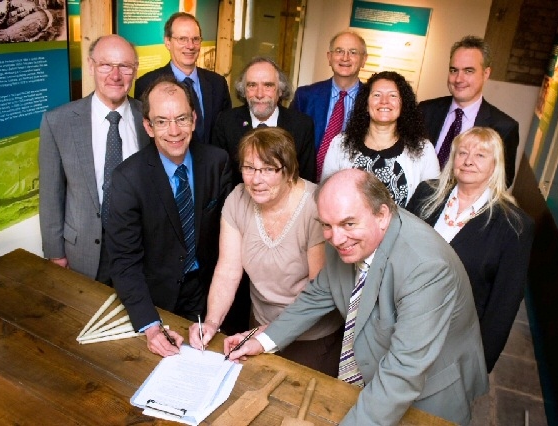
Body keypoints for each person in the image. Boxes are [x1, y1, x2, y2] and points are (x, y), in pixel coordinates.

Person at [223, 169, 488, 425]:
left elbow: (403, 370)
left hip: (430, 393)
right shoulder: (347, 236)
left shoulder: (426, 267)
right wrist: (263, 340)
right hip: (378, 378)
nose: (336, 238)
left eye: (348, 224)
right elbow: (317, 296)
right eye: (326, 225)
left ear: (382, 215)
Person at [189, 127, 343, 376]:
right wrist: (211, 322)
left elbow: (318, 288)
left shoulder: (315, 205)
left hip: (311, 336)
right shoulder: (237, 199)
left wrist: (271, 333)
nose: (255, 179)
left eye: (268, 169)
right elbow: (228, 269)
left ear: (289, 170)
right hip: (258, 327)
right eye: (249, 168)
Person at [106, 75, 233, 357]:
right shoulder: (128, 178)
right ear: (148, 127)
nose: (174, 131)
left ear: (195, 119)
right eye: (162, 121)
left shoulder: (218, 162)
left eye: (182, 119)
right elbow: (124, 261)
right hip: (153, 298)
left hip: (207, 293)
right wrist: (150, 325)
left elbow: (229, 239)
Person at [406, 127, 534, 373]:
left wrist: (479, 365)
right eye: (462, 153)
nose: (468, 161)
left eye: (480, 155)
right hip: (403, 323)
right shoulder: (426, 194)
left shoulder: (514, 225)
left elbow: (503, 306)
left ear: (496, 165)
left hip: (453, 344)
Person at [39, 34, 150, 284]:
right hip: (83, 253)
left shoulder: (149, 118)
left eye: (124, 66)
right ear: (90, 66)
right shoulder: (58, 122)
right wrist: (55, 253)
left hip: (139, 251)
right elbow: (50, 195)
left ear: (135, 70)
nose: (115, 75)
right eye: (106, 65)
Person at [321, 71, 439, 208]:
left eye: (393, 95)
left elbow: (430, 205)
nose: (384, 101)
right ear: (366, 103)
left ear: (403, 104)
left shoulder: (423, 149)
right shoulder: (340, 143)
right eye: (377, 95)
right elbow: (326, 195)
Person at [419, 35, 519, 187]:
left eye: (468, 71)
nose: (459, 79)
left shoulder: (503, 127)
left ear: (486, 73)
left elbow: (502, 182)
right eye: (454, 70)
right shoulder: (425, 110)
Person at [212, 56, 316, 186]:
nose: (259, 94)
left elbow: (305, 181)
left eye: (268, 85)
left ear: (280, 90)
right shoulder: (226, 122)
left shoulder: (302, 125)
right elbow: (220, 179)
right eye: (252, 85)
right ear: (244, 91)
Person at [133, 12, 231, 144]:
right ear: (168, 42)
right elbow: (145, 138)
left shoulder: (218, 83)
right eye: (182, 39)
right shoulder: (146, 84)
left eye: (195, 39)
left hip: (211, 164)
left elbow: (224, 133)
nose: (190, 46)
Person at [290, 31, 367, 177]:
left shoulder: (372, 101)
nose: (345, 57)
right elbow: (289, 143)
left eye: (353, 52)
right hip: (305, 181)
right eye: (339, 51)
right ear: (329, 57)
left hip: (350, 186)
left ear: (364, 60)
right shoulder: (305, 96)